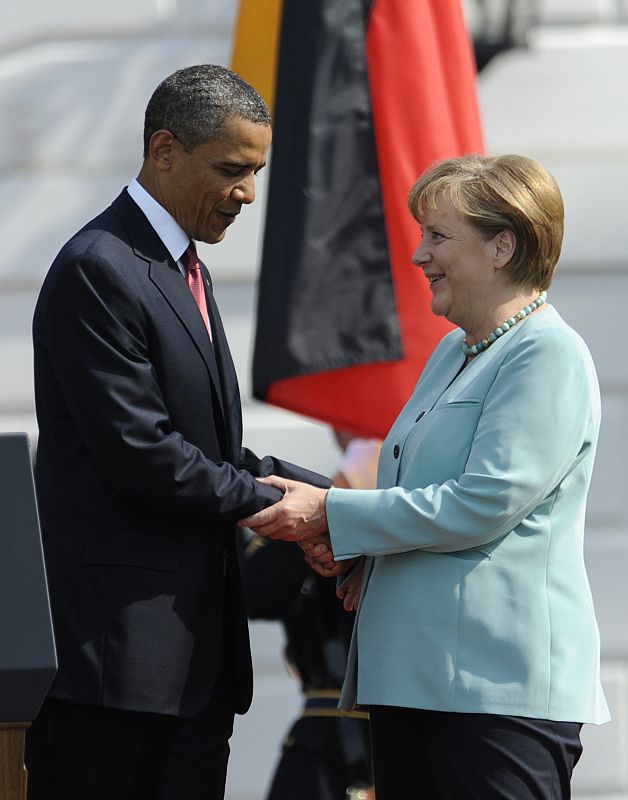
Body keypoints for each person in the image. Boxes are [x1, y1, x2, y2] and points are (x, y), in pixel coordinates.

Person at [239, 154, 610, 799]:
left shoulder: (548, 353)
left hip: (497, 690)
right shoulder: (453, 352)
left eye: (438, 237)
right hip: (418, 679)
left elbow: (484, 502)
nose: (419, 256)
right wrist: (358, 555)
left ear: (503, 246)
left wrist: (335, 513)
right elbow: (418, 495)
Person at [25, 64, 331, 800]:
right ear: (164, 150)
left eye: (255, 171)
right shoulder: (100, 269)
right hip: (117, 671)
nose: (248, 194)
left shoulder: (179, 267)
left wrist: (331, 501)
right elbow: (146, 454)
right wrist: (282, 505)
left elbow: (206, 448)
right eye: (231, 170)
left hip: (189, 672)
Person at [241, 433, 380, 800]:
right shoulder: (325, 504)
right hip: (329, 742)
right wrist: (338, 500)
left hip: (417, 739)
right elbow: (256, 593)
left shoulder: (441, 513)